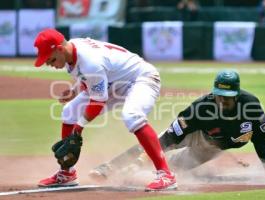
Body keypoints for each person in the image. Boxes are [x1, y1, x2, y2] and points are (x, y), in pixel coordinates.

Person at [34, 28, 177, 191]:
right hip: (115, 83)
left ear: (60, 49)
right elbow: (88, 77)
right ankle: (67, 173)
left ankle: (166, 175)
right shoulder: (71, 51)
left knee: (132, 116)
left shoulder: (89, 61)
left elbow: (97, 101)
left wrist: (78, 129)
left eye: (51, 60)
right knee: (70, 111)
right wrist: (75, 91)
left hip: (141, 78)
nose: (49, 64)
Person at [90, 69, 265, 180]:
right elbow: (170, 137)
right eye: (219, 96)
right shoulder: (201, 108)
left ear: (237, 95)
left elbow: (260, 138)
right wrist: (145, 157)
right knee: (150, 145)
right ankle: (108, 168)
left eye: (227, 98)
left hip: (213, 147)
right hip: (197, 133)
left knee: (177, 168)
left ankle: (137, 176)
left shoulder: (251, 105)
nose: (222, 101)